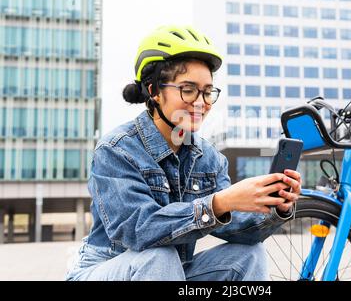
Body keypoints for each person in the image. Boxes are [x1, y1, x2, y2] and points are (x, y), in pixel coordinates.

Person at [66, 25, 301, 281]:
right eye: (188, 90)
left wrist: (276, 207)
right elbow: (137, 230)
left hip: (171, 273)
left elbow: (241, 232)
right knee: (159, 256)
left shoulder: (209, 158)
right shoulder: (116, 150)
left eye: (208, 91)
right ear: (154, 90)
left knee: (249, 254)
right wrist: (220, 202)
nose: (201, 102)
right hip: (108, 269)